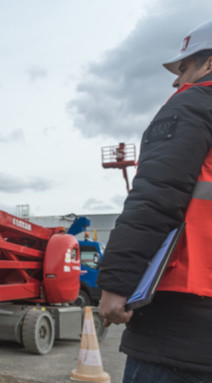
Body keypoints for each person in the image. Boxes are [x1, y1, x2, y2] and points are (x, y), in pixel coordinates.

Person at [98, 19, 212, 382]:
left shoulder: (195, 104)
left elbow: (155, 198)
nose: (176, 81)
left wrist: (116, 284)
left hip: (181, 320)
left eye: (183, 67)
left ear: (209, 64)